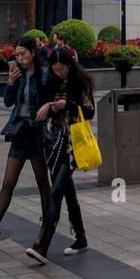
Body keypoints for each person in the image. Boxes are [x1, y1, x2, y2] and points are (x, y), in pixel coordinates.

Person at [0, 36, 52, 254]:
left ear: (33, 53)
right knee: (8, 183)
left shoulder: (44, 75)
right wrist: (10, 82)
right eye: (16, 55)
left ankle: (45, 232)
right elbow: (8, 102)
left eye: (23, 54)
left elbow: (51, 100)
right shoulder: (17, 75)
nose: (20, 58)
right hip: (19, 133)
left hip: (37, 134)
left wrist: (50, 106)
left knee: (43, 184)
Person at [25, 48, 95, 263]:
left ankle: (43, 245)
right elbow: (50, 104)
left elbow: (89, 112)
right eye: (55, 70)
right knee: (67, 192)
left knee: (55, 192)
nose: (59, 73)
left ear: (70, 65)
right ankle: (81, 238)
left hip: (72, 144)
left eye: (62, 69)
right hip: (54, 142)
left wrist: (69, 105)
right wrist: (51, 106)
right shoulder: (53, 82)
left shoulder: (79, 83)